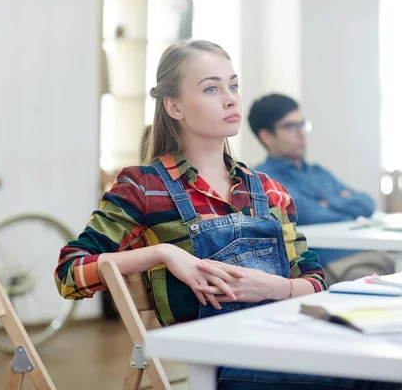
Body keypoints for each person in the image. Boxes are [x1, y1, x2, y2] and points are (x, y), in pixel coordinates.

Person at [55, 39, 397, 389]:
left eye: (233, 85)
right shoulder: (144, 187)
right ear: (174, 106)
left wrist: (274, 286)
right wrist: (163, 253)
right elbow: (69, 273)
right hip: (228, 367)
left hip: (291, 345)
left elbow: (315, 281)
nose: (231, 97)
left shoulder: (268, 189)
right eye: (211, 88)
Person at [248, 94, 394, 283]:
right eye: (290, 126)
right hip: (334, 264)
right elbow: (312, 215)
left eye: (302, 124)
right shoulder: (264, 180)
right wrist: (340, 202)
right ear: (267, 136)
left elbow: (366, 203)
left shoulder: (317, 172)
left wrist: (328, 202)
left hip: (375, 252)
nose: (301, 133)